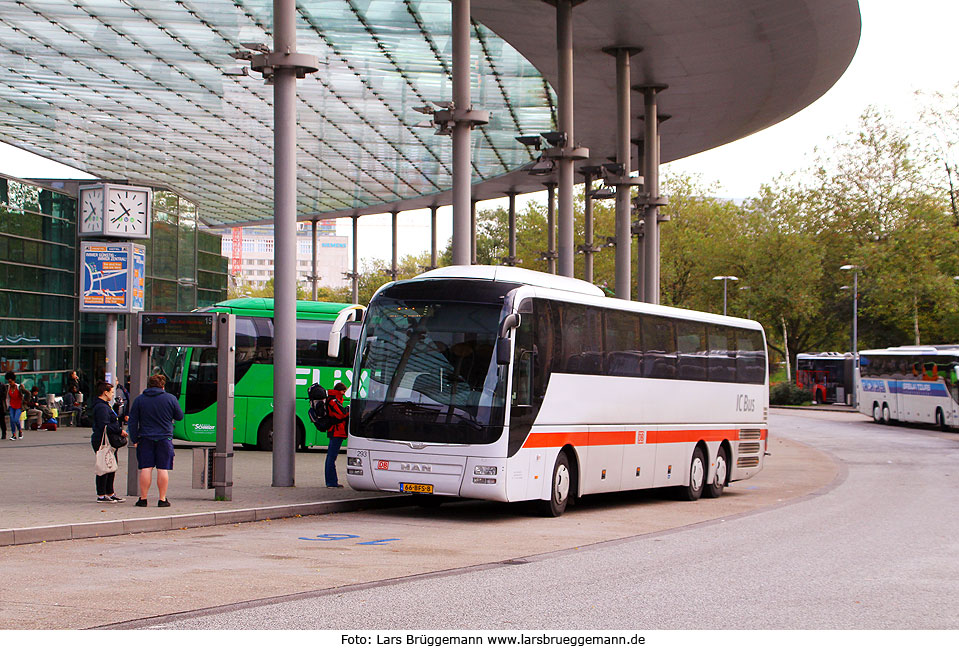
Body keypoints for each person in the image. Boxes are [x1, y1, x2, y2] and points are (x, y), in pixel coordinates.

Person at [128, 373, 184, 507]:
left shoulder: (139, 400)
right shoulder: (170, 399)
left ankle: (143, 499)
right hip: (165, 438)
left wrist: (135, 439)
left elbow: (132, 422)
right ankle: (162, 499)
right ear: (163, 386)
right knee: (162, 468)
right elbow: (180, 416)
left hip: (145, 438)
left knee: (146, 468)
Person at [91, 381, 127, 503]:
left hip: (105, 440)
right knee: (105, 466)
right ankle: (102, 494)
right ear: (105, 393)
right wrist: (119, 431)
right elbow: (104, 425)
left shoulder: (104, 405)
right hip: (103, 441)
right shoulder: (101, 407)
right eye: (111, 392)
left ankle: (109, 492)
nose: (112, 394)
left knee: (110, 465)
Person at [324, 382, 350, 488]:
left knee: (331, 457)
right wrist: (349, 408)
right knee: (331, 457)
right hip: (336, 431)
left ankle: (331, 481)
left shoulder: (333, 399)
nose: (344, 394)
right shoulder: (333, 400)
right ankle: (331, 482)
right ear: (339, 390)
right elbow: (342, 414)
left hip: (336, 431)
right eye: (343, 391)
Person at [5, 372, 23, 440]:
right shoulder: (8, 388)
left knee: (16, 419)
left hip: (18, 406)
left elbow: (25, 395)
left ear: (13, 380)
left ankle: (20, 430)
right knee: (12, 420)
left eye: (11, 381)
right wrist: (8, 405)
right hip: (11, 405)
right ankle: (14, 434)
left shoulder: (18, 387)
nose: (10, 383)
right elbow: (7, 397)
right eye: (9, 382)